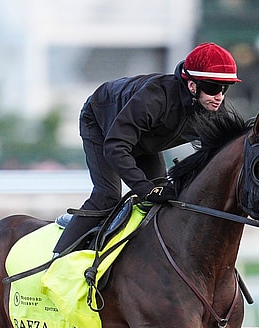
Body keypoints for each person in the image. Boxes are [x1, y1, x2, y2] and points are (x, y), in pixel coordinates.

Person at [52, 42, 242, 255]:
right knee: (108, 197)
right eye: (213, 87)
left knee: (166, 200)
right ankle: (58, 255)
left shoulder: (213, 107)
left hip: (147, 138)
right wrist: (145, 188)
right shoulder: (155, 97)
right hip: (102, 124)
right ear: (192, 85)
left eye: (225, 88)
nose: (220, 96)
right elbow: (116, 147)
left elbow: (214, 158)